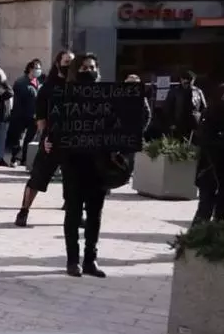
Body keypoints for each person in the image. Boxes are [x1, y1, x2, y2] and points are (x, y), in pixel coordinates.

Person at [41, 53, 150, 277]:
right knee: (73, 212)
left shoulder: (108, 97)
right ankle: (73, 260)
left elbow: (138, 122)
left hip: (100, 164)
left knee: (95, 214)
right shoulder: (65, 95)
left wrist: (136, 96)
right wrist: (48, 141)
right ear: (75, 71)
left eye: (91, 67)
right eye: (83, 67)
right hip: (73, 163)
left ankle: (91, 259)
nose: (88, 70)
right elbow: (54, 126)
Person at [14, 50, 74, 227]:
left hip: (73, 142)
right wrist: (45, 137)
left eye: (72, 62)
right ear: (58, 63)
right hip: (52, 141)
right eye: (66, 61)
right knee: (38, 178)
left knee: (74, 180)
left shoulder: (78, 86)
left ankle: (74, 212)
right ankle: (24, 211)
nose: (70, 65)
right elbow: (41, 119)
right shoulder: (47, 88)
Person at [192, 83, 224, 225]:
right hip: (210, 169)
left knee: (223, 209)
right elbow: (206, 140)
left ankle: (216, 237)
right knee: (205, 208)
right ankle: (194, 239)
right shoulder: (209, 115)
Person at [8, 58, 43, 167]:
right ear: (30, 69)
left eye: (39, 68)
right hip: (22, 115)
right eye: (36, 68)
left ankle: (24, 159)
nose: (38, 70)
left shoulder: (38, 82)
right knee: (19, 139)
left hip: (34, 116)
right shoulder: (21, 82)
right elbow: (18, 101)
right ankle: (15, 159)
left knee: (30, 139)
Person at [164, 70, 207, 142]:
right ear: (181, 79)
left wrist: (201, 121)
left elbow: (204, 108)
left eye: (191, 80)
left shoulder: (197, 91)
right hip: (179, 122)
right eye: (185, 80)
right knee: (179, 142)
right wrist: (171, 123)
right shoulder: (174, 92)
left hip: (194, 122)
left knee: (193, 143)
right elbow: (167, 108)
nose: (187, 83)